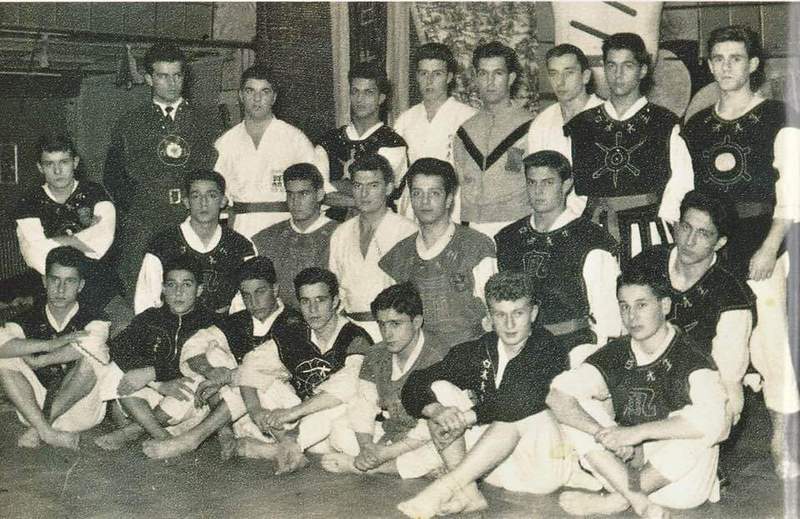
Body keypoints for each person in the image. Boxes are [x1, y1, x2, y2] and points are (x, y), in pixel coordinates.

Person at [682, 25, 800, 479]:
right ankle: (710, 444)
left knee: (771, 342)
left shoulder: (778, 116)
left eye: (735, 58)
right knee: (715, 342)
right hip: (714, 246)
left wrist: (770, 247)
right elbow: (686, 194)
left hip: (762, 243)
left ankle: (781, 440)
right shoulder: (697, 126)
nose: (726, 67)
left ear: (753, 65)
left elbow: (791, 191)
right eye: (718, 59)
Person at [139, 265, 372, 471]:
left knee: (343, 418)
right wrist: (254, 409)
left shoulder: (354, 336)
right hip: (296, 422)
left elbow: (345, 387)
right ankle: (193, 439)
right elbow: (252, 365)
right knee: (257, 380)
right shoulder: (295, 333)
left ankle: (278, 448)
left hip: (330, 422)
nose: (312, 309)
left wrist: (292, 413)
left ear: (335, 301)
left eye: (320, 300)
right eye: (305, 301)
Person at [547, 267, 729, 517]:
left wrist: (634, 433)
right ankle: (635, 499)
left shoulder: (692, 357)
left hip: (678, 485)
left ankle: (617, 501)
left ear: (664, 306)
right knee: (572, 405)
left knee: (702, 428)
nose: (631, 316)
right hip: (623, 473)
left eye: (641, 305)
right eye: (624, 306)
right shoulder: (617, 351)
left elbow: (718, 424)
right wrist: (602, 433)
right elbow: (557, 395)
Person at [398, 271, 572, 518]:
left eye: (518, 313)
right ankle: (468, 493)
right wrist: (437, 411)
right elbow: (415, 383)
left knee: (521, 412)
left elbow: (517, 399)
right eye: (500, 314)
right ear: (489, 317)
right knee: (439, 389)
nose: (509, 324)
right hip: (495, 468)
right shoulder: (480, 349)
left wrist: (466, 418)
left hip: (544, 466)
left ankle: (445, 488)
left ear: (533, 313)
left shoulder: (548, 347)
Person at [104, 42, 222, 297]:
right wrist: (139, 206)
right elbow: (113, 177)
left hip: (193, 218)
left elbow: (219, 172)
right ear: (149, 78)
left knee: (196, 288)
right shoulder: (130, 123)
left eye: (177, 76)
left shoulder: (207, 121)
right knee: (142, 289)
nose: (171, 83)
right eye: (163, 76)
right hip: (146, 220)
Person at [564, 33, 694, 265]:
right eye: (611, 65)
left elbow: (681, 184)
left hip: (649, 231)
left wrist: (666, 231)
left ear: (642, 71)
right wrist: (576, 228)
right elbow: (573, 189)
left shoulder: (663, 123)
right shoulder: (582, 125)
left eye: (628, 66)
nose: (618, 74)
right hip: (592, 230)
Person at [630, 190, 755, 426]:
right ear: (676, 226)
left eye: (703, 233)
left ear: (720, 242)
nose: (689, 241)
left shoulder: (731, 294)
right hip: (637, 378)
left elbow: (727, 376)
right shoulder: (646, 263)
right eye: (686, 227)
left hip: (696, 391)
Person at [495, 151, 621, 366]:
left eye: (548, 182)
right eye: (532, 182)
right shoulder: (509, 238)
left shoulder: (589, 238)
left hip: (573, 349)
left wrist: (598, 364)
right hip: (518, 349)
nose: (538, 191)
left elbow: (609, 315)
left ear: (566, 185)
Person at [93, 255, 223, 452]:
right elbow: (120, 347)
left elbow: (198, 362)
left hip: (185, 402)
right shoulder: (150, 317)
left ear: (199, 290)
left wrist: (154, 372)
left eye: (187, 285)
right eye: (171, 285)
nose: (178, 292)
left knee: (198, 378)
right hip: (151, 394)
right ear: (163, 289)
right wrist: (157, 383)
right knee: (116, 369)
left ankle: (133, 431)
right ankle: (161, 435)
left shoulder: (211, 321)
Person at [320, 283, 449, 478]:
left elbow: (435, 424)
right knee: (339, 429)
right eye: (382, 324)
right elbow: (364, 404)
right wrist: (366, 447)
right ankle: (404, 468)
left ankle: (373, 467)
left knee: (443, 446)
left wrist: (385, 453)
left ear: (416, 322)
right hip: (392, 432)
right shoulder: (376, 353)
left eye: (395, 324)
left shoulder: (438, 355)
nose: (387, 333)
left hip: (424, 435)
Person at [0, 246, 110, 450]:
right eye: (55, 280)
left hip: (79, 411)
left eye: (70, 281)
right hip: (33, 406)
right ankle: (47, 432)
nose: (61, 289)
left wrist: (41, 359)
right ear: (44, 281)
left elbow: (90, 346)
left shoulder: (96, 318)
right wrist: (49, 344)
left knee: (95, 356)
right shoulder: (26, 318)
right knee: (5, 358)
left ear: (81, 285)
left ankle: (40, 429)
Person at [380, 159, 495, 348]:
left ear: (449, 199)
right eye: (417, 193)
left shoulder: (477, 247)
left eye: (434, 193)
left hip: (470, 352)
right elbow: (393, 319)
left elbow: (495, 312)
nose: (425, 201)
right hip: (422, 356)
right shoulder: (399, 255)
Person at [214, 64, 322, 239]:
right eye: (250, 91)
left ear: (274, 97)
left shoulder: (295, 139)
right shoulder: (225, 143)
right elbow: (216, 195)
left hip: (286, 229)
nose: (257, 99)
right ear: (240, 96)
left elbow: (316, 191)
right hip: (242, 229)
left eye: (264, 92)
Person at [16, 133, 119, 313]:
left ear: (75, 162)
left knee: (123, 322)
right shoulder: (29, 202)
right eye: (49, 164)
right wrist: (82, 241)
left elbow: (102, 241)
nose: (57, 171)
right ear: (40, 167)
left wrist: (53, 242)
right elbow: (35, 254)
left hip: (97, 284)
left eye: (64, 162)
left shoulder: (95, 193)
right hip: (47, 287)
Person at [134, 169, 254, 315]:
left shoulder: (240, 246)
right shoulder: (163, 244)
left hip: (224, 326)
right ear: (186, 202)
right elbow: (145, 302)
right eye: (196, 196)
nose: (203, 203)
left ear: (223, 201)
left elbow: (246, 305)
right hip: (172, 325)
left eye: (211, 195)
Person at [328, 154, 417, 340]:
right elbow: (335, 288)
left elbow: (413, 293)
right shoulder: (341, 233)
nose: (364, 193)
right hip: (350, 331)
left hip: (393, 330)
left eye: (373, 185)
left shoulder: (407, 231)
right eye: (357, 186)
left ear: (389, 188)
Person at [453, 41, 533, 239]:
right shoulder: (465, 131)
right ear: (475, 77)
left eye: (498, 73)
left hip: (516, 224)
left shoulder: (531, 126)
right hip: (472, 227)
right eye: (483, 73)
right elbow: (461, 184)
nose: (490, 81)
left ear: (511, 78)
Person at [393, 42, 477, 220]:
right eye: (424, 73)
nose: (429, 81)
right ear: (417, 76)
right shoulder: (405, 120)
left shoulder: (468, 118)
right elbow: (395, 174)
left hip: (454, 208)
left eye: (437, 74)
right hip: (413, 209)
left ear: (449, 77)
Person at [316, 62, 408, 220]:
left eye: (368, 92)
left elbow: (378, 193)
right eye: (355, 91)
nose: (360, 99)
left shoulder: (392, 143)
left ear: (381, 98)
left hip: (377, 226)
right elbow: (316, 192)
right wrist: (359, 198)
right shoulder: (329, 141)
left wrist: (334, 186)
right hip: (331, 227)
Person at [527, 44, 604, 216]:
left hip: (598, 219)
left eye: (569, 73)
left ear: (585, 76)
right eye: (554, 74)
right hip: (554, 220)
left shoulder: (607, 119)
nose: (560, 82)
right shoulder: (542, 123)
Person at [251, 163, 338, 309]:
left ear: (319, 195)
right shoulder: (267, 238)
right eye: (290, 194)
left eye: (303, 194)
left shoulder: (340, 234)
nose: (295, 202)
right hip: (281, 319)